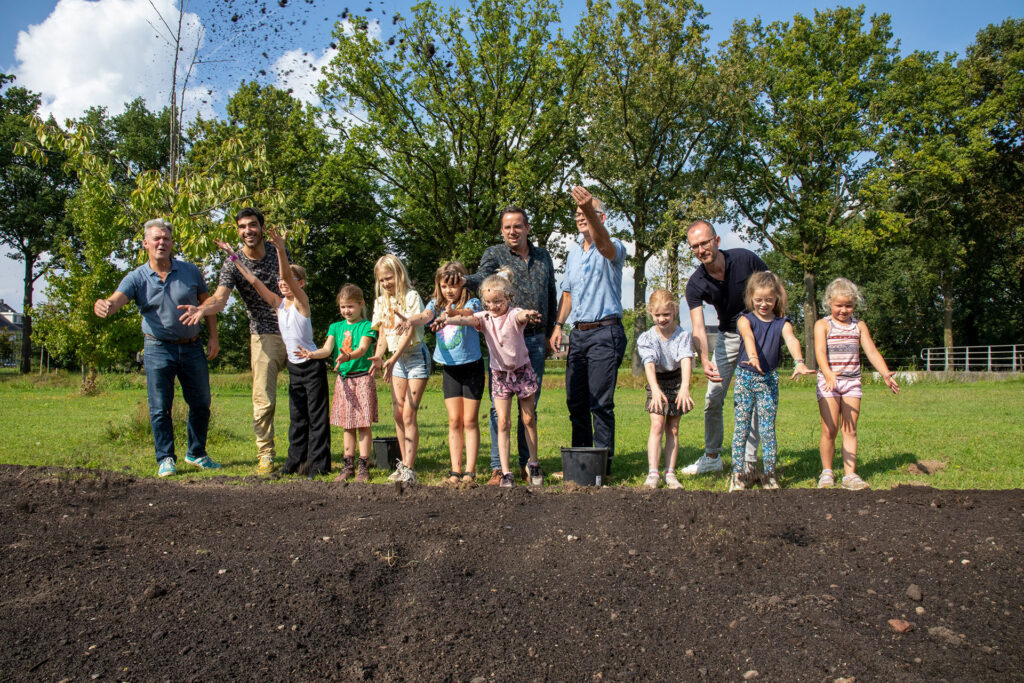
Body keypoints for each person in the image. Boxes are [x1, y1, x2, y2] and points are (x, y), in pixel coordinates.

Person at [94, 218, 221, 477]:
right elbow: (117, 300)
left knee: (201, 402)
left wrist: (213, 337)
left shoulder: (190, 271)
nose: (161, 243)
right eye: (156, 239)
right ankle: (165, 458)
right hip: (157, 348)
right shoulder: (137, 277)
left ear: (172, 243)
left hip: (192, 346)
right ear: (145, 244)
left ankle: (196, 453)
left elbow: (208, 305)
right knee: (160, 406)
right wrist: (105, 304)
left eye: (166, 238)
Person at [446, 206, 557, 485]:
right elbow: (481, 278)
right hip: (503, 340)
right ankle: (499, 467)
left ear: (527, 228)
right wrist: (463, 281)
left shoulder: (543, 256)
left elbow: (551, 293)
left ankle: (527, 464)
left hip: (535, 338)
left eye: (517, 226)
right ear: (502, 230)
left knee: (529, 408)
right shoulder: (495, 254)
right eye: (507, 227)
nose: (512, 231)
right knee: (500, 409)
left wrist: (552, 329)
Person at [179, 207, 288, 475]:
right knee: (264, 400)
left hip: (294, 330)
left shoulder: (277, 251)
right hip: (264, 333)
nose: (247, 231)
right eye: (242, 227)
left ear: (262, 227)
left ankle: (306, 451)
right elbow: (220, 298)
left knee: (304, 395)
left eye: (252, 225)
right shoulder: (233, 262)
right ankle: (265, 454)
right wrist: (203, 309)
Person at [215, 229, 331, 478]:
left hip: (312, 366)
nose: (282, 283)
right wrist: (234, 258)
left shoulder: (302, 302)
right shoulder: (279, 305)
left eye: (288, 282)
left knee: (316, 417)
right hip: (295, 367)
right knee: (297, 418)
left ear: (300, 284)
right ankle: (295, 462)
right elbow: (255, 282)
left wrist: (280, 250)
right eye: (280, 283)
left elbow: (286, 274)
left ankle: (319, 465)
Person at [548, 186, 627, 472]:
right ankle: (581, 464)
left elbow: (604, 246)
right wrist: (558, 326)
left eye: (588, 212)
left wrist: (591, 214)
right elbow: (567, 294)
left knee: (600, 402)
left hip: (605, 332)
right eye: (579, 213)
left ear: (601, 217)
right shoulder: (572, 254)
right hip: (578, 334)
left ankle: (602, 465)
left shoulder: (614, 244)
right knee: (576, 401)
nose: (581, 216)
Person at [682, 220, 768, 477]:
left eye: (704, 243)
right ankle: (712, 456)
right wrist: (704, 358)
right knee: (713, 397)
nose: (700, 250)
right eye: (694, 246)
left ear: (717, 241)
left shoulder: (745, 259)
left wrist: (775, 329)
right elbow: (698, 327)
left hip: (757, 335)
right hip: (728, 337)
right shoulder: (695, 284)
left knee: (752, 398)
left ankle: (750, 460)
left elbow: (773, 288)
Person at [443, 274, 543, 488]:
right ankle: (506, 472)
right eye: (489, 303)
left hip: (522, 372)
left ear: (508, 298)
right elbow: (468, 319)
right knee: (503, 422)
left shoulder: (514, 313)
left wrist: (530, 314)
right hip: (500, 376)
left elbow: (521, 316)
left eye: (498, 301)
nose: (494, 306)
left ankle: (533, 463)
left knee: (528, 419)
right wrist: (449, 317)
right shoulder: (485, 318)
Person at [399, 262, 484, 487]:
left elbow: (469, 315)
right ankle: (455, 471)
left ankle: (470, 472)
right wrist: (410, 320)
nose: (449, 290)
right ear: (439, 285)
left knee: (470, 420)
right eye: (445, 285)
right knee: (454, 420)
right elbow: (425, 316)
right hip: (450, 370)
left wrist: (453, 314)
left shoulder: (472, 301)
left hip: (472, 367)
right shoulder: (435, 305)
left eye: (454, 285)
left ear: (463, 285)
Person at [728, 272, 815, 491]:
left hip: (768, 380)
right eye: (758, 300)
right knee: (742, 428)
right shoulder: (744, 319)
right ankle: (738, 474)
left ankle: (769, 475)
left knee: (767, 430)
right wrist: (754, 356)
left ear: (776, 299)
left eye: (768, 299)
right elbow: (748, 337)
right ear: (750, 298)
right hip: (746, 378)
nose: (763, 304)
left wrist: (799, 361)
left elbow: (792, 339)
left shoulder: (782, 323)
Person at [814, 278, 900, 491]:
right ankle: (827, 472)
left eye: (848, 305)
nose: (844, 310)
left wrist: (885, 374)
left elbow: (871, 350)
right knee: (830, 428)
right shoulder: (823, 325)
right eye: (839, 305)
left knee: (850, 429)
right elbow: (819, 352)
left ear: (855, 304)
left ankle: (850, 475)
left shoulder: (858, 326)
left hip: (852, 382)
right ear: (829, 303)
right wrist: (828, 373)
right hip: (829, 383)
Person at [301, 284, 378, 483]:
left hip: (362, 378)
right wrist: (312, 354)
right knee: (347, 425)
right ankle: (348, 465)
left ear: (361, 304)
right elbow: (327, 349)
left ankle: (363, 465)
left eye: (350, 307)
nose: (346, 311)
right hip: (344, 381)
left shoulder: (368, 326)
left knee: (363, 424)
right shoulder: (335, 327)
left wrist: (348, 356)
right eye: (343, 307)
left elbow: (362, 348)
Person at [369, 254, 429, 484]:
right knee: (397, 413)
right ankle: (403, 464)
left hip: (414, 357)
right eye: (382, 280)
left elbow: (409, 332)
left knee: (408, 414)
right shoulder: (381, 302)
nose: (386, 283)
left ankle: (410, 469)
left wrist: (392, 359)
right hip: (395, 361)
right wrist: (378, 355)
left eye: (389, 277)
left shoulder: (411, 297)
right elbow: (384, 332)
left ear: (399, 274)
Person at [635, 289, 695, 489]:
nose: (662, 319)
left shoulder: (682, 336)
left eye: (666, 314)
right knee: (657, 425)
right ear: (651, 313)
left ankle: (670, 473)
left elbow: (686, 360)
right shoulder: (647, 338)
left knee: (674, 428)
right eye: (658, 315)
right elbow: (649, 364)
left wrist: (684, 388)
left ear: (675, 311)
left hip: (677, 381)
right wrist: (655, 389)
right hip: (656, 381)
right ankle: (653, 473)